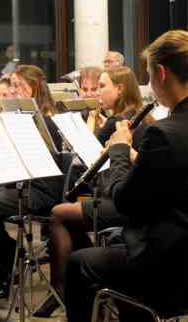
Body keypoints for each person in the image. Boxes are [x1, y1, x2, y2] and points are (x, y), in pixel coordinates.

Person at [63, 30, 188, 321]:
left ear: (161, 73)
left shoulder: (164, 132)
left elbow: (124, 202)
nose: (149, 85)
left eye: (148, 76)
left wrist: (120, 150)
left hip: (172, 271)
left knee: (79, 263)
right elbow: (181, 179)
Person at [34, 66, 149, 318]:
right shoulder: (139, 116)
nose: (97, 92)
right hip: (124, 195)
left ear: (119, 89)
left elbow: (97, 162)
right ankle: (83, 277)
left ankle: (61, 288)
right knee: (67, 214)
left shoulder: (117, 122)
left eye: (102, 86)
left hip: (121, 198)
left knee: (58, 213)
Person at [0, 64, 64, 300]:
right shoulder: (19, 116)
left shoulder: (46, 119)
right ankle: (8, 261)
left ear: (34, 89)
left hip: (41, 189)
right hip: (19, 183)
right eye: (14, 85)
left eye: (19, 86)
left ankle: (6, 269)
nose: (14, 90)